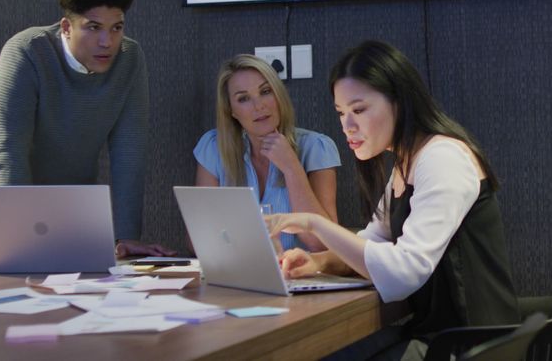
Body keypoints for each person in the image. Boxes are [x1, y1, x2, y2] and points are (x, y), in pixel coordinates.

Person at [267, 40, 520, 358]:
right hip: (436, 334)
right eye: (341, 113)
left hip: (471, 346)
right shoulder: (405, 163)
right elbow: (372, 244)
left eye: (359, 110)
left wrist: (314, 224)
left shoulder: (442, 157)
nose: (348, 126)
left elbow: (402, 273)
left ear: (399, 101)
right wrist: (319, 262)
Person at [0, 0, 173, 258]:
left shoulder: (130, 59)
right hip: (4, 191)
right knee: (11, 284)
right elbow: (7, 149)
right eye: (93, 27)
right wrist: (19, 230)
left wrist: (127, 236)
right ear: (66, 27)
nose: (107, 41)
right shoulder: (27, 50)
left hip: (71, 198)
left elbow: (129, 152)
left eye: (117, 27)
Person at [194, 54, 339, 251]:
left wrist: (291, 168)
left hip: (300, 277)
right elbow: (199, 241)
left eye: (265, 91)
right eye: (244, 98)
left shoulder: (316, 148)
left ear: (279, 96)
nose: (259, 106)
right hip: (240, 275)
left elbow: (322, 244)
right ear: (232, 111)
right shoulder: (214, 148)